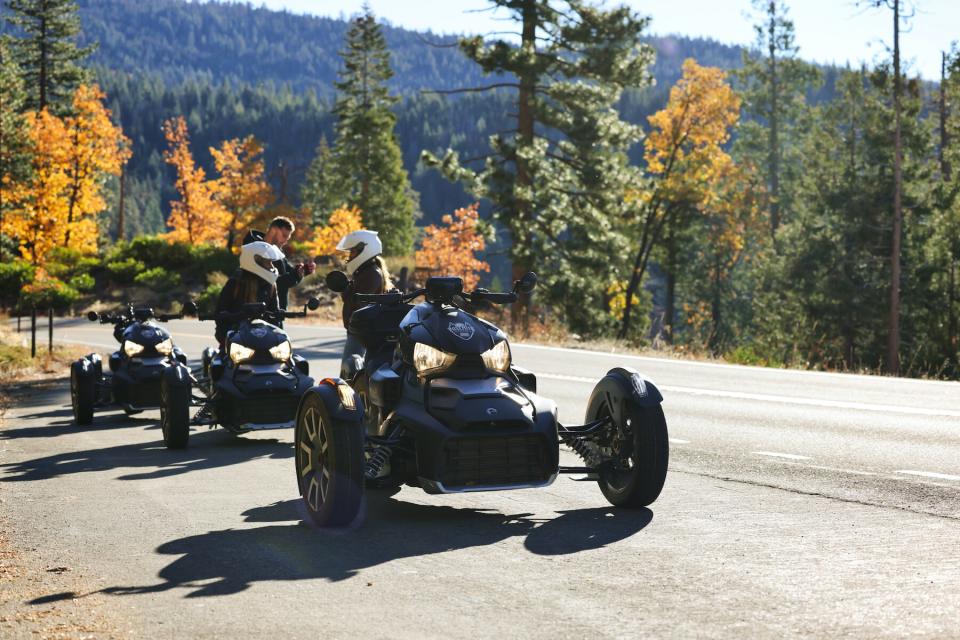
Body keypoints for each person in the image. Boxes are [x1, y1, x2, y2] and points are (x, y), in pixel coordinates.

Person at [337, 229, 391, 380]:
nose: (350, 256)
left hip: (362, 330)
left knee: (349, 370)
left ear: (364, 250)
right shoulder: (364, 272)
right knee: (352, 370)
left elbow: (359, 303)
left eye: (353, 252)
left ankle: (351, 402)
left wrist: (348, 292)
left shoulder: (371, 274)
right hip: (359, 329)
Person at [214, 241, 283, 348]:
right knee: (218, 364)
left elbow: (274, 313)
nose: (271, 266)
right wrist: (238, 316)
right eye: (268, 262)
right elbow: (220, 314)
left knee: (292, 362)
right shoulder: (235, 283)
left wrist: (278, 315)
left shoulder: (271, 285)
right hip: (237, 339)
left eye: (271, 262)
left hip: (263, 338)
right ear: (255, 262)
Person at [243, 216, 316, 310]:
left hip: (276, 313)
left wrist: (305, 270)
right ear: (273, 230)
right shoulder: (255, 250)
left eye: (287, 238)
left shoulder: (276, 251)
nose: (285, 241)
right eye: (284, 236)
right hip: (260, 313)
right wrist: (295, 275)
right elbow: (272, 282)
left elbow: (289, 271)